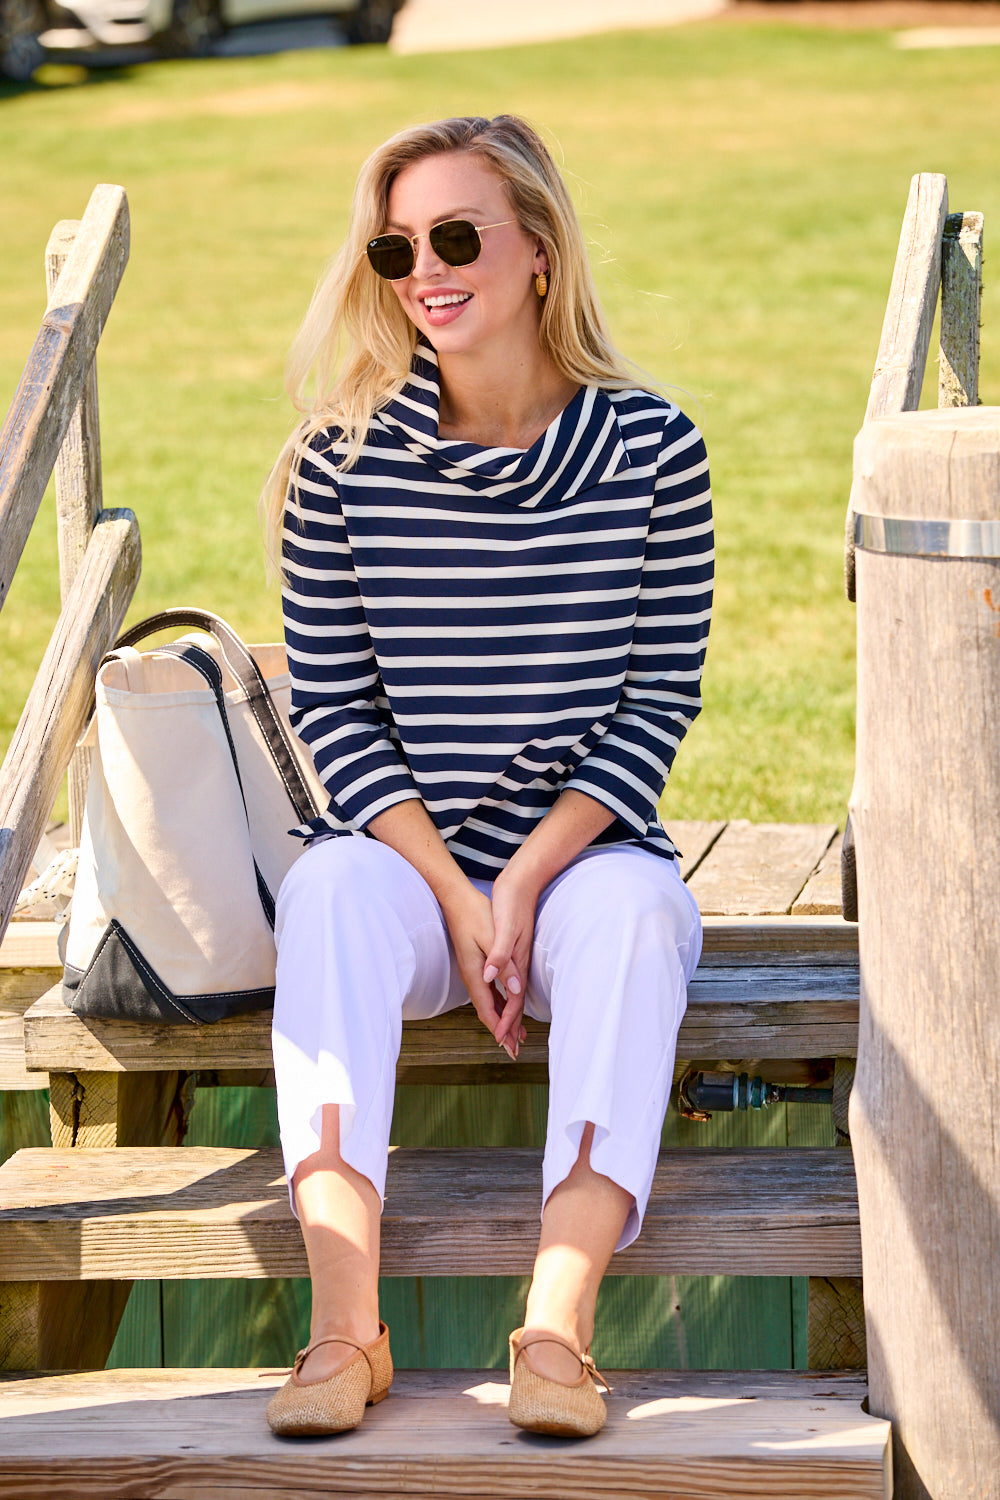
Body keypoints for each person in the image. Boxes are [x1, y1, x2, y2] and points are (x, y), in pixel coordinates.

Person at [260, 114, 713, 1441]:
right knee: (333, 886)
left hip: (582, 870)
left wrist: (517, 884)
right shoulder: (335, 464)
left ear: (539, 252)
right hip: (414, 875)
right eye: (397, 244)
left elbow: (653, 709)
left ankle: (556, 1331)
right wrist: (458, 895)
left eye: (458, 236)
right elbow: (335, 719)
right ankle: (345, 1331)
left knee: (635, 919)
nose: (425, 268)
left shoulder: (652, 451)